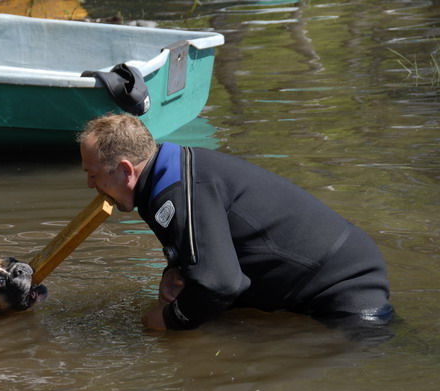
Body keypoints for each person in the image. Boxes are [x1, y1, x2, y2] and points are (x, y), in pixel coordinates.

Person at [77, 113, 393, 334]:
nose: (91, 185)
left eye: (93, 174)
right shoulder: (170, 175)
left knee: (384, 360)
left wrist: (168, 319)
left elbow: (220, 283)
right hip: (324, 276)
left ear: (125, 170)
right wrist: (178, 269)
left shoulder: (179, 189)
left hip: (344, 287)